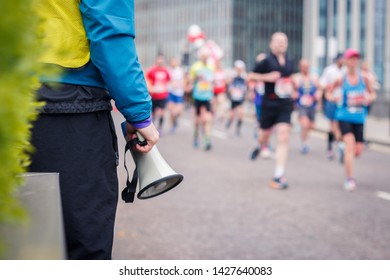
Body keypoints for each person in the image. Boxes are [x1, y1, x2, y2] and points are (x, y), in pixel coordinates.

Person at [30, 0, 159, 259]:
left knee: (20, 240)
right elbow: (109, 30)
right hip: (65, 104)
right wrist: (138, 113)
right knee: (83, 244)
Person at [248, 32, 295, 189]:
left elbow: (289, 80)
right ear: (271, 44)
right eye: (278, 41)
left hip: (285, 104)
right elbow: (251, 76)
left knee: (283, 136)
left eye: (284, 41)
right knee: (264, 135)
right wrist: (267, 77)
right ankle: (258, 145)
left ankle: (278, 175)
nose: (281, 44)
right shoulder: (266, 61)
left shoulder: (289, 62)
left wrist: (294, 86)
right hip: (269, 103)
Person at [326, 49, 376, 191]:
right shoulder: (341, 79)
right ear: (346, 61)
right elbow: (328, 93)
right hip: (344, 116)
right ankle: (350, 179)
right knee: (350, 144)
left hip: (359, 118)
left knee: (358, 150)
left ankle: (343, 151)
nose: (354, 62)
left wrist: (368, 98)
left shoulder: (364, 78)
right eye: (351, 59)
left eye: (356, 59)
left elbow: (372, 94)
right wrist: (334, 98)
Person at [292, 59, 322, 154]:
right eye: (303, 66)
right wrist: (294, 94)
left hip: (312, 105)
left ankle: (305, 138)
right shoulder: (296, 78)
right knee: (305, 124)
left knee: (311, 126)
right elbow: (291, 90)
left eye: (307, 66)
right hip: (301, 105)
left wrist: (318, 96)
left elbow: (320, 89)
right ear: (300, 67)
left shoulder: (314, 78)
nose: (305, 68)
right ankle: (304, 144)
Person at [319, 53, 345, 160]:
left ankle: (340, 145)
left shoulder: (347, 71)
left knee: (341, 126)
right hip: (332, 101)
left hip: (344, 102)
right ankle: (331, 148)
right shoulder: (329, 70)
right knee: (333, 126)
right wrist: (332, 87)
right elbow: (322, 84)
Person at [189, 47, 215, 151]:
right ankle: (195, 136)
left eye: (207, 56)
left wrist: (214, 96)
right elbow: (189, 79)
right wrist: (196, 78)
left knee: (207, 120)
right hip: (197, 97)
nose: (205, 58)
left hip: (208, 96)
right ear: (200, 57)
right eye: (203, 56)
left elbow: (213, 81)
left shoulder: (211, 66)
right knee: (197, 121)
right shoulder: (195, 67)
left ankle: (207, 140)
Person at [248, 52, 273, 158]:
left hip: (270, 102)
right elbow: (250, 83)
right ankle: (263, 145)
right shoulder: (255, 74)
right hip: (259, 102)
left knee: (269, 126)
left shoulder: (271, 72)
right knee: (263, 125)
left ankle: (262, 143)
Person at [146, 54, 171, 134]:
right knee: (153, 113)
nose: (160, 61)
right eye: (159, 59)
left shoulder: (165, 71)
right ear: (156, 60)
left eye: (162, 60)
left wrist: (167, 87)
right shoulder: (152, 70)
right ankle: (152, 127)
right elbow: (148, 81)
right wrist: (151, 88)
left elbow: (169, 81)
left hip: (163, 95)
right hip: (153, 96)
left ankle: (160, 128)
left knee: (162, 112)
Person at [225, 60, 248, 136]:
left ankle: (238, 129)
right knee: (232, 115)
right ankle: (229, 122)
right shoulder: (232, 76)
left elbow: (247, 86)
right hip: (233, 98)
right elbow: (228, 84)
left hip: (240, 98)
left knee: (241, 114)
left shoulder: (244, 77)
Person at [167, 57, 185, 133]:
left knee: (178, 111)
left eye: (174, 61)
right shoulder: (168, 70)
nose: (173, 63)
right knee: (171, 111)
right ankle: (172, 125)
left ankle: (176, 120)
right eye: (172, 62)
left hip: (179, 93)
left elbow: (184, 80)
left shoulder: (180, 71)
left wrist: (182, 86)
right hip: (171, 92)